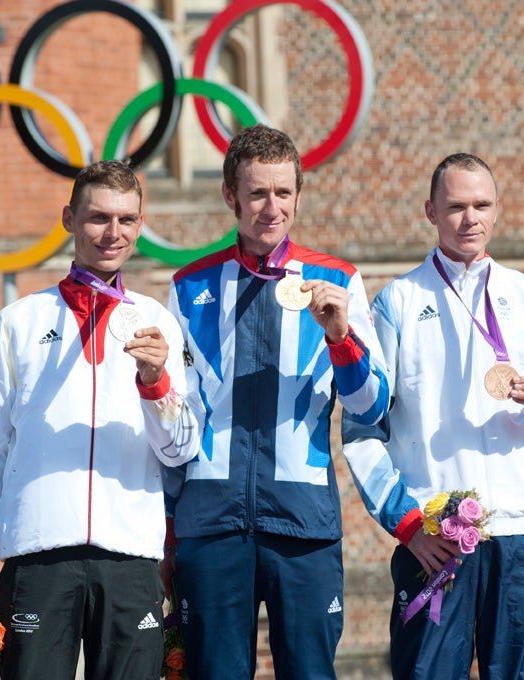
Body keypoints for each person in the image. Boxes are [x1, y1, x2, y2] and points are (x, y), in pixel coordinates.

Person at [342, 152, 524, 679]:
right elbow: (362, 430)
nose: (470, 218)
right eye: (455, 206)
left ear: (497, 210)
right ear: (430, 211)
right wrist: (408, 524)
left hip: (522, 531)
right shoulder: (397, 302)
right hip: (437, 538)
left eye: (481, 205)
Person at [0, 160, 202, 679]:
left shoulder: (158, 322)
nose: (114, 233)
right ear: (69, 218)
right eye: (98, 218)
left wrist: (155, 383)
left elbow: (180, 450)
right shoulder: (19, 322)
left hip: (130, 558)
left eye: (128, 220)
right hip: (39, 556)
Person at [163, 124, 390, 679]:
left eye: (283, 192)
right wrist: (167, 531)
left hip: (303, 521)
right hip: (210, 523)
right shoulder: (190, 286)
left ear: (297, 195)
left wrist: (341, 339)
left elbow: (371, 405)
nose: (271, 207)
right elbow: (173, 416)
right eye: (258, 192)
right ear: (230, 195)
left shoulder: (338, 281)